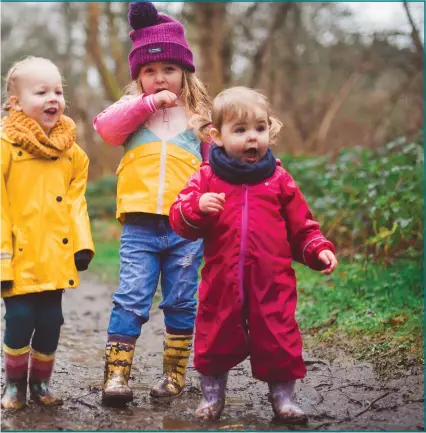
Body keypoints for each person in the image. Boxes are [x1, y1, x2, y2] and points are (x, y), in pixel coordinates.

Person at [169, 87, 338, 425]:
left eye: (259, 129)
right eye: (240, 130)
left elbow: (301, 227)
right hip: (222, 278)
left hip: (271, 279)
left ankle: (284, 398)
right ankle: (212, 396)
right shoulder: (206, 177)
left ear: (269, 130)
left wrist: (317, 248)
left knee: (279, 334)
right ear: (216, 136)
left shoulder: (278, 179)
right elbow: (179, 218)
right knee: (214, 333)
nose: (252, 138)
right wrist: (197, 207)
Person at [93, 2, 212, 405]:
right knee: (131, 296)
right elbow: (105, 129)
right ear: (138, 77)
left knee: (181, 300)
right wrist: (147, 104)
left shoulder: (200, 119)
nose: (159, 77)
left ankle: (173, 376)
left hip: (186, 228)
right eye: (149, 71)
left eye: (168, 70)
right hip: (140, 227)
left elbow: (219, 167)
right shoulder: (131, 114)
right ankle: (116, 377)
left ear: (185, 73)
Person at [1, 56, 94, 409]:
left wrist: (82, 243)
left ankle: (41, 383)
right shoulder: (5, 148)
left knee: (52, 321)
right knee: (20, 319)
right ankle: (14, 385)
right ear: (16, 103)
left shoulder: (73, 153)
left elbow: (76, 201)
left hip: (55, 255)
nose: (53, 97)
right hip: (18, 257)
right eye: (41, 91)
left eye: (58, 90)